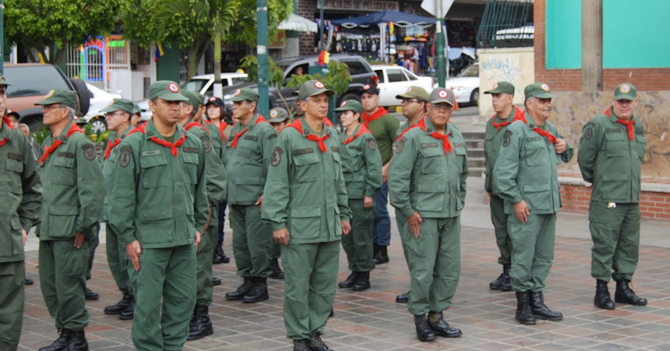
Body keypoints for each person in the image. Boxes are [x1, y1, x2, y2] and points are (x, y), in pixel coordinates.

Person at [108, 81, 209, 351]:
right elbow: (121, 198)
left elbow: (200, 191)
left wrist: (198, 226)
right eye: (168, 102)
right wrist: (128, 237)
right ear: (152, 106)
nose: (175, 107)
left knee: (183, 303)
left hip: (184, 241)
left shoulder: (193, 144)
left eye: (178, 102)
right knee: (148, 309)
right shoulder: (134, 145)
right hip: (148, 244)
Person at [262, 80, 352, 351]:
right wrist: (277, 222)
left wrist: (344, 213)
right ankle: (299, 336)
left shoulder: (332, 135)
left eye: (325, 99)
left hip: (328, 224)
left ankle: (315, 331)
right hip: (299, 227)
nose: (323, 104)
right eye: (316, 100)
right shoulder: (289, 136)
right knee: (298, 286)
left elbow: (339, 180)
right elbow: (277, 183)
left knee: (325, 286)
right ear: (302, 105)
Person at [389, 88, 467, 342]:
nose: (442, 111)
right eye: (437, 106)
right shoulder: (412, 137)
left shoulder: (456, 135)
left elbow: (463, 173)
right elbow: (397, 180)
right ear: (428, 108)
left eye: (446, 107)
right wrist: (409, 212)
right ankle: (421, 319)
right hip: (423, 216)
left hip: (450, 214)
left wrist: (460, 200)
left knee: (449, 269)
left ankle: (437, 315)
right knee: (423, 269)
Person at [493, 83, 573, 325]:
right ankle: (523, 305)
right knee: (523, 257)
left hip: (548, 205)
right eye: (541, 100)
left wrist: (565, 147)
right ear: (529, 103)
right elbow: (502, 174)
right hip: (526, 208)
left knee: (543, 257)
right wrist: (517, 200)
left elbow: (563, 156)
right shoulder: (516, 130)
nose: (547, 104)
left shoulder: (549, 129)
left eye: (548, 100)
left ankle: (537, 301)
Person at [35, 89, 104, 351]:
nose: (44, 110)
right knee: (51, 287)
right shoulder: (49, 143)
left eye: (50, 106)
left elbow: (92, 189)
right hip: (49, 228)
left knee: (69, 287)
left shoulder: (79, 143)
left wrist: (83, 227)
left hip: (70, 231)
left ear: (65, 111)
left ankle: (76, 338)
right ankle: (64, 331)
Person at [577, 83, 648, 310]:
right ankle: (601, 290)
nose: (624, 105)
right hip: (607, 198)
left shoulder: (636, 125)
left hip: (630, 197)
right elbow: (585, 159)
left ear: (636, 102)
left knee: (629, 245)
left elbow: (638, 157)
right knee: (605, 245)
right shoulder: (598, 125)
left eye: (629, 101)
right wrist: (601, 181)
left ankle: (624, 287)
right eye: (620, 101)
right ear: (613, 101)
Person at [178, 90, 227, 340]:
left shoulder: (197, 134)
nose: (175, 107)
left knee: (198, 268)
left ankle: (202, 318)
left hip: (199, 215)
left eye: (180, 104)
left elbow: (216, 179)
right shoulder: (176, 135)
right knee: (184, 269)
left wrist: (204, 210)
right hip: (181, 213)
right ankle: (188, 315)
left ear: (191, 109)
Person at [0, 77, 42, 351]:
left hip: (8, 247)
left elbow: (33, 189)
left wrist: (24, 226)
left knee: (9, 319)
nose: (0, 98)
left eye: (1, 92)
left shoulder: (17, 140)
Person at [223, 88, 277, 303]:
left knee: (258, 244)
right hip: (236, 197)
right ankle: (247, 280)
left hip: (255, 198)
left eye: (239, 103)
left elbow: (273, 166)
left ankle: (260, 284)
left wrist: (267, 194)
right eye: (233, 103)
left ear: (251, 105)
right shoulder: (235, 129)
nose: (234, 107)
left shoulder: (264, 130)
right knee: (240, 244)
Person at [334, 99, 382, 292]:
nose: (342, 116)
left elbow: (374, 168)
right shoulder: (339, 138)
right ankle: (354, 270)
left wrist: (370, 192)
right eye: (341, 113)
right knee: (347, 237)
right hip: (344, 196)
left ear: (356, 115)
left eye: (347, 112)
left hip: (360, 196)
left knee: (361, 237)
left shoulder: (365, 138)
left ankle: (364, 273)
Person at [98, 98, 137, 320]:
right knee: (114, 258)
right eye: (107, 114)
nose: (107, 117)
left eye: (113, 113)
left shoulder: (134, 140)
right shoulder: (113, 140)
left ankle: (136, 296)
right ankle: (126, 293)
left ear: (126, 116)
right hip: (110, 209)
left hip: (125, 212)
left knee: (127, 257)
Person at [483, 81, 523, 292]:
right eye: (493, 96)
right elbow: (489, 155)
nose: (494, 100)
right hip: (497, 190)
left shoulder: (522, 122)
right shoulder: (492, 123)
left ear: (510, 98)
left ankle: (520, 272)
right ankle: (507, 270)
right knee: (501, 232)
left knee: (516, 232)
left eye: (498, 96)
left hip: (515, 191)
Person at [391, 86, 429, 304]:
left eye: (409, 101)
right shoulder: (403, 130)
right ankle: (417, 285)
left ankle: (426, 289)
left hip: (424, 198)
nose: (403, 104)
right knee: (409, 245)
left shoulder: (431, 129)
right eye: (402, 101)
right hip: (404, 197)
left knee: (424, 246)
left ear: (422, 104)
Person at [360, 83, 399, 264]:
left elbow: (400, 146)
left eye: (370, 97)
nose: (367, 101)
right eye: (364, 97)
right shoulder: (361, 120)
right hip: (364, 174)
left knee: (380, 211)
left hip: (381, 172)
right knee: (368, 211)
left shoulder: (387, 120)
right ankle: (372, 246)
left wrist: (388, 167)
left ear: (378, 98)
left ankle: (382, 249)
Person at [205, 96, 232, 265]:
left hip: (227, 176)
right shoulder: (203, 129)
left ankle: (219, 245)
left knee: (221, 215)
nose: (212, 110)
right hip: (212, 177)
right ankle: (213, 247)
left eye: (215, 107)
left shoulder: (229, 130)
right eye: (209, 107)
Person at [267, 106, 292, 280]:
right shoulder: (270, 140)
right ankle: (272, 262)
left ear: (286, 123)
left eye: (279, 124)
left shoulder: (290, 139)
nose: (276, 128)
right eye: (273, 125)